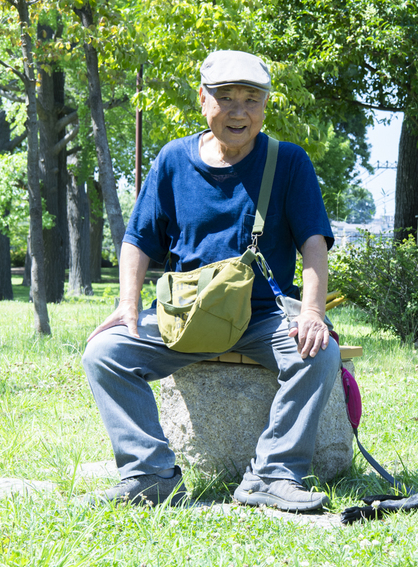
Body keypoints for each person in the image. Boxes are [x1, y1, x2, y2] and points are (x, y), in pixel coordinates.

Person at [81, 50, 339, 513]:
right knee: (105, 353)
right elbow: (138, 239)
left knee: (319, 352)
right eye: (225, 98)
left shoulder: (289, 162)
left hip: (262, 317)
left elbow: (314, 244)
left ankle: (273, 474)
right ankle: (150, 474)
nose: (238, 111)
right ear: (203, 100)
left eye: (251, 99)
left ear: (265, 105)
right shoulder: (173, 159)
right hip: (186, 316)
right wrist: (127, 306)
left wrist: (313, 313)